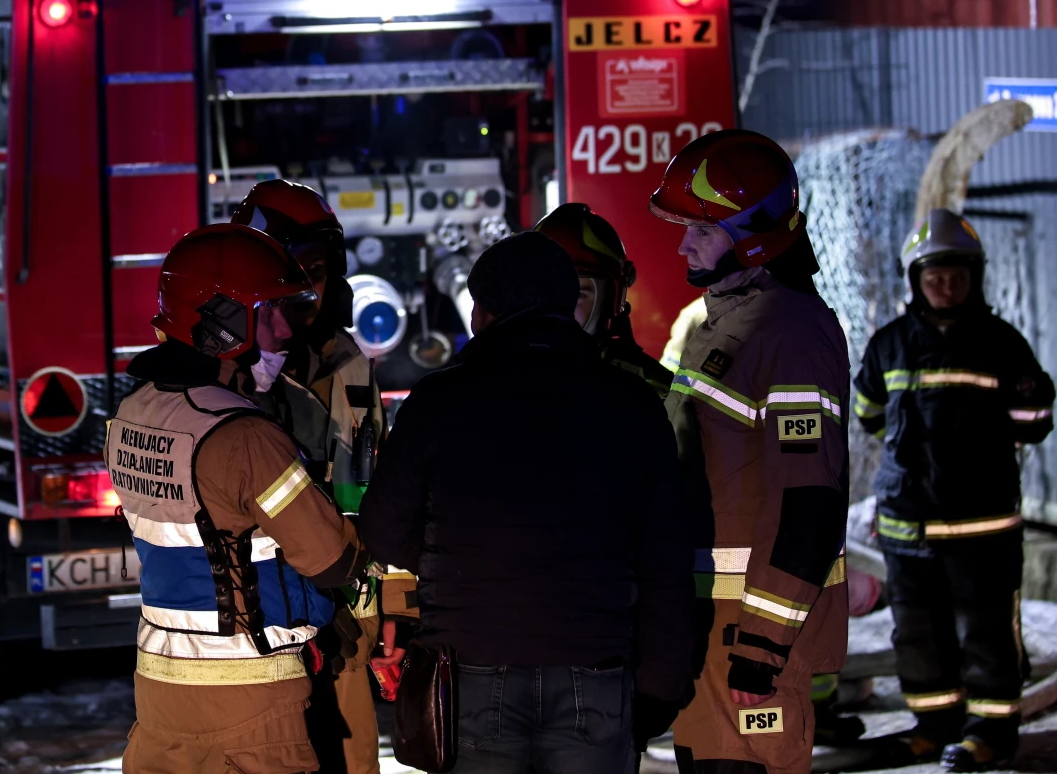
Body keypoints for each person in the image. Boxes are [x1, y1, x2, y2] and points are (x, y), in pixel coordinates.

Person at [358, 230, 694, 774]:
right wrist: (661, 685)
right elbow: (666, 558)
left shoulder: (439, 401)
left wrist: (454, 561)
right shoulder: (632, 404)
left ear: (483, 313)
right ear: (568, 306)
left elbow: (382, 529)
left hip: (472, 669)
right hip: (597, 667)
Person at [110, 223, 370, 774]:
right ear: (223, 323)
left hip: (160, 699)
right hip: (251, 710)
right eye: (271, 313)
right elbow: (331, 559)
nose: (286, 332)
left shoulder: (134, 412)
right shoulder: (245, 436)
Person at [648, 129, 849, 774]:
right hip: (714, 632)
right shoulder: (727, 323)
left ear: (754, 235)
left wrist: (763, 647)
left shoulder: (791, 333)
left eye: (702, 231)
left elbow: (808, 501)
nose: (683, 245)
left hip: (751, 644)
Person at [854, 208, 1054, 771]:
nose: (946, 287)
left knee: (987, 636)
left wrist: (1030, 394)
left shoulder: (1001, 343)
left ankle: (991, 734)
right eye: (936, 277)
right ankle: (933, 728)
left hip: (981, 530)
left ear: (975, 278)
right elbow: (870, 413)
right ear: (916, 280)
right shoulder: (889, 344)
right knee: (918, 636)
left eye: (957, 277)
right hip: (907, 528)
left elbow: (1034, 422)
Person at [231, 179, 385, 774]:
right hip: (256, 627)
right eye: (290, 273)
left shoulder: (347, 364)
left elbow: (367, 489)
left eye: (317, 272)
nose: (305, 290)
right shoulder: (226, 375)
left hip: (342, 617)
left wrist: (379, 612)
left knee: (350, 759)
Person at [534, 202, 671, 396]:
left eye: (578, 294)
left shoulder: (650, 392)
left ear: (610, 301)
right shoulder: (498, 376)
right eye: (545, 292)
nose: (558, 310)